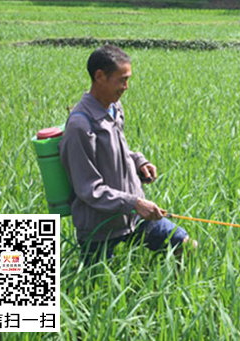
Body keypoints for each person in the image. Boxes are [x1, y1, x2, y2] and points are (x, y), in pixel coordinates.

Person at [59, 45, 196, 264]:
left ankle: (168, 296)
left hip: (131, 218)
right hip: (99, 227)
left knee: (184, 246)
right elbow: (88, 189)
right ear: (100, 76)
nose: (126, 86)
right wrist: (135, 203)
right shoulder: (79, 126)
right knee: (99, 288)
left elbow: (119, 151)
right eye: (122, 80)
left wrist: (139, 161)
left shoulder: (114, 108)